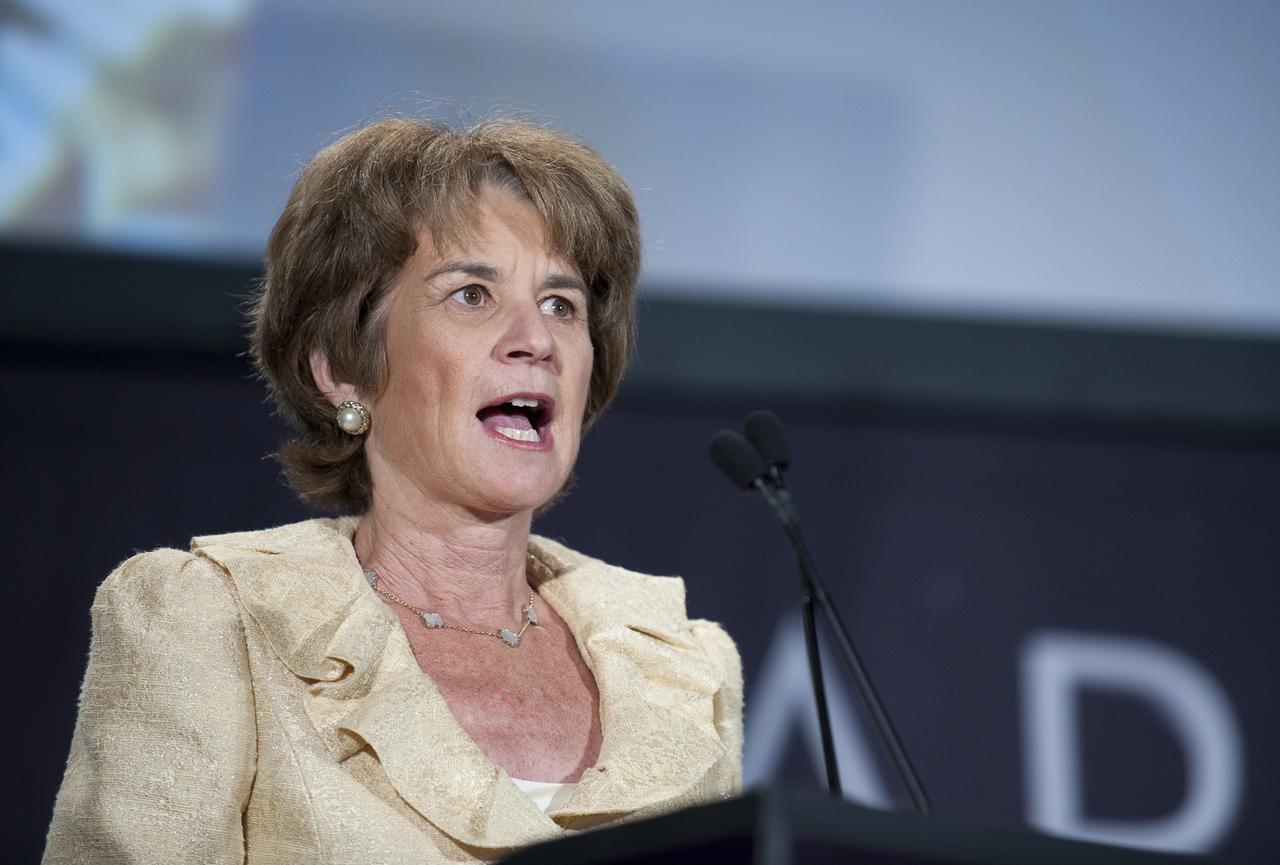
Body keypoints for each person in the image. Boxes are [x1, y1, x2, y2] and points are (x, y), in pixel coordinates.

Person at [43, 117, 743, 864]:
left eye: (561, 304)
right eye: (473, 294)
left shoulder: (683, 666)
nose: (536, 339)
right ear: (343, 368)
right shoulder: (213, 621)